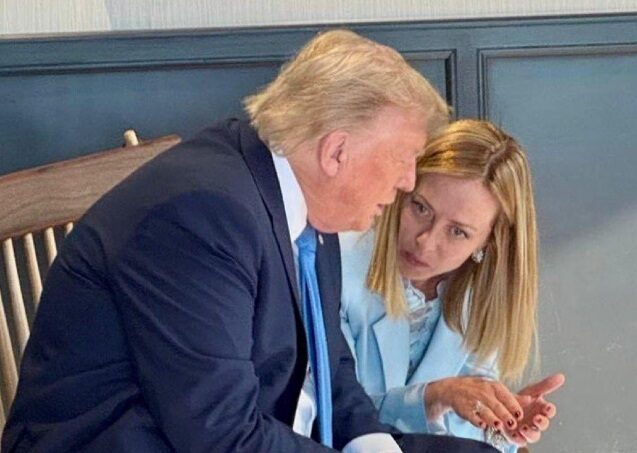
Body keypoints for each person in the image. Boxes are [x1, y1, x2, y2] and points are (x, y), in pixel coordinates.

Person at [2, 31, 499, 452]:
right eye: (404, 157)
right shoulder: (201, 214)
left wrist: (373, 445)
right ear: (336, 153)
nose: (408, 181)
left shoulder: (303, 200)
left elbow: (332, 370)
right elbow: (221, 434)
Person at [339, 119, 566, 452]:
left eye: (457, 231)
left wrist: (501, 426)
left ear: (488, 242)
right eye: (420, 208)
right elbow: (331, 415)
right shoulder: (339, 267)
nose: (425, 240)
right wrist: (433, 396)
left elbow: (453, 428)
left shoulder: (480, 298)